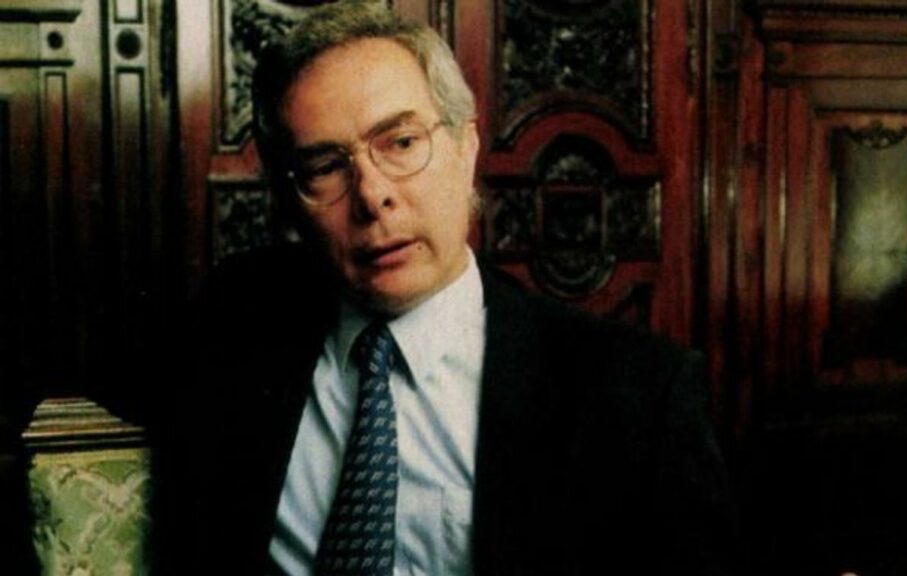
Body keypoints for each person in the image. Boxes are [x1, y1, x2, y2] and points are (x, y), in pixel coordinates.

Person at [155, 1, 736, 574]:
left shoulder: (636, 394)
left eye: (401, 142)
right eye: (326, 167)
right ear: (290, 200)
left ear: (465, 147)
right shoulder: (230, 321)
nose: (373, 196)